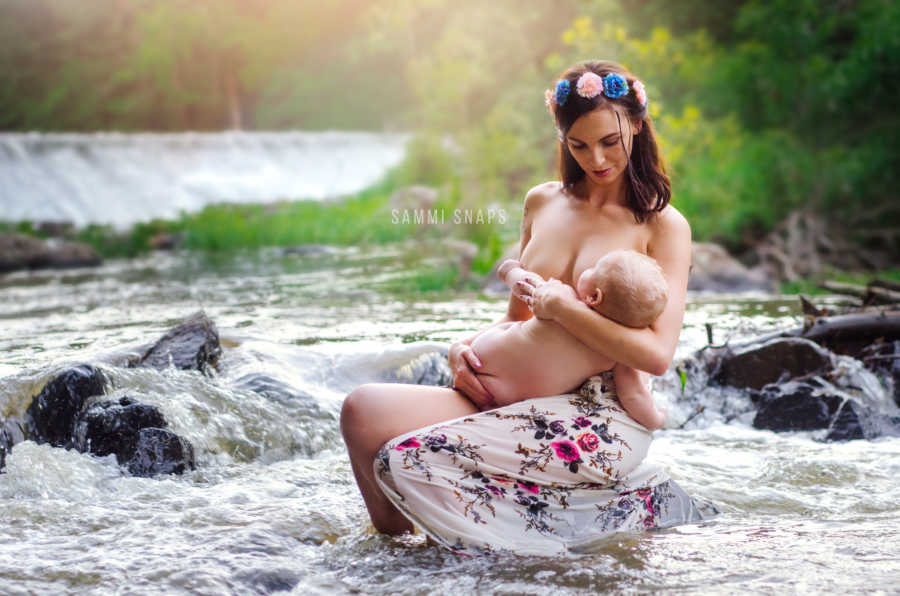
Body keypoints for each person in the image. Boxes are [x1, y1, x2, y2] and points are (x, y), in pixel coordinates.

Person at [341, 60, 712, 554]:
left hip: (597, 413)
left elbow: (657, 355)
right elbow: (517, 321)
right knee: (362, 413)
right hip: (518, 385)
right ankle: (400, 554)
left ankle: (483, 556)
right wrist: (462, 349)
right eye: (578, 145)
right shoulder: (542, 202)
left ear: (638, 127)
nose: (596, 159)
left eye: (609, 141)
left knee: (409, 457)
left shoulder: (663, 226)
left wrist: (565, 309)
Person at [467, 249, 668, 431]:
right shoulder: (616, 353)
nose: (587, 269)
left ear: (594, 297)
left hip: (482, 360)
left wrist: (510, 271)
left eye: (593, 268)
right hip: (509, 399)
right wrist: (657, 419)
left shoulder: (563, 298)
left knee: (515, 329)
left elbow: (527, 284)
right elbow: (634, 396)